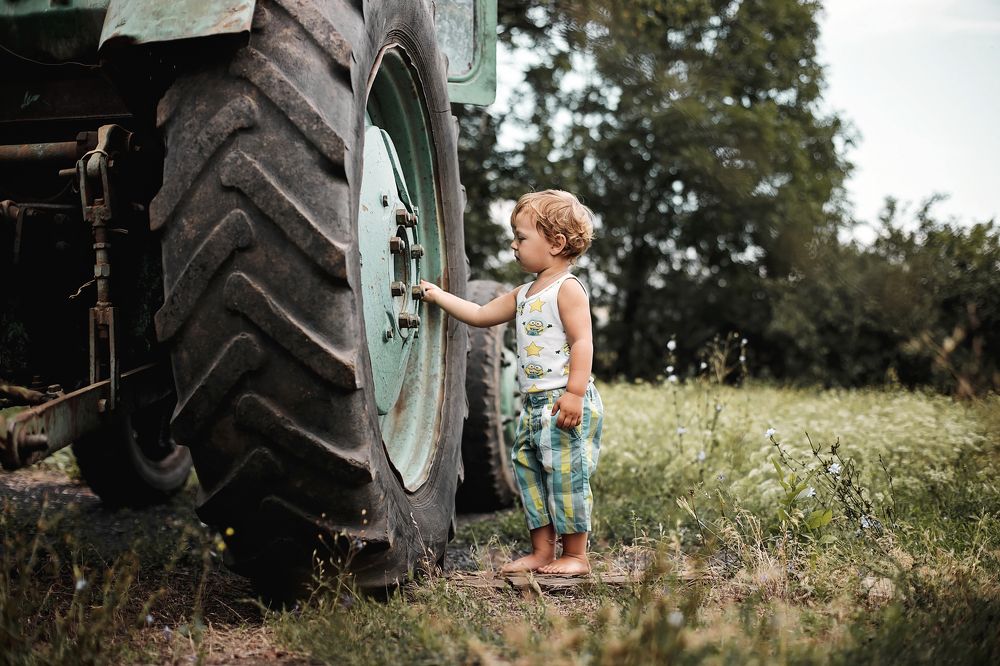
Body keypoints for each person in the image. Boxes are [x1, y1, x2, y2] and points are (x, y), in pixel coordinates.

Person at [420, 189, 604, 575]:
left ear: (556, 243)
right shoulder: (523, 294)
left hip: (563, 401)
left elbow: (582, 341)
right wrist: (438, 297)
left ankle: (576, 556)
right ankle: (542, 552)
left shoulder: (567, 289)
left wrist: (573, 393)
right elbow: (480, 314)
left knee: (566, 474)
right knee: (529, 472)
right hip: (534, 405)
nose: (514, 245)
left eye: (521, 237)